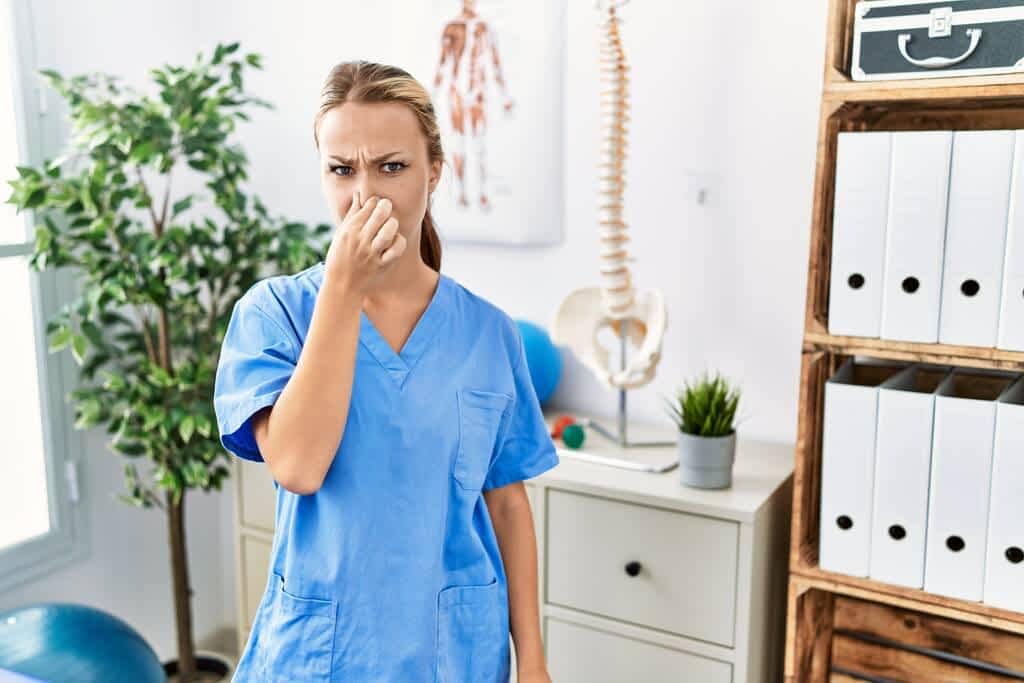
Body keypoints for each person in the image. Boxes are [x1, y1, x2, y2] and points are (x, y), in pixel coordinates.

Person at [212, 60, 558, 682]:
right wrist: (342, 293)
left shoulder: (489, 333)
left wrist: (532, 656)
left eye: (391, 167)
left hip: (455, 653)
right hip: (324, 655)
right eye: (342, 169)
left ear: (434, 173)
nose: (365, 193)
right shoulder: (274, 315)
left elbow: (506, 503)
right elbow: (297, 467)